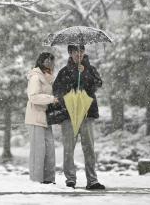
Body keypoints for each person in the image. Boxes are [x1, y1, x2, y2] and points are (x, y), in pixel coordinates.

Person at [52, 44, 105, 190]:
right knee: (69, 148)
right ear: (70, 53)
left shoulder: (91, 69)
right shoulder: (64, 71)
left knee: (89, 148)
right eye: (75, 52)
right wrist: (68, 96)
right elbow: (56, 90)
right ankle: (70, 179)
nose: (79, 54)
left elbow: (98, 84)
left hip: (87, 114)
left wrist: (85, 73)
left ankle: (92, 180)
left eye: (81, 51)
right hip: (69, 115)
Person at [24, 52, 59, 184]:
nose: (50, 63)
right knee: (38, 152)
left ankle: (48, 180)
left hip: (46, 119)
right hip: (35, 118)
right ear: (41, 62)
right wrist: (51, 99)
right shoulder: (35, 77)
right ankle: (36, 181)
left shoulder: (48, 78)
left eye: (52, 61)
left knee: (49, 151)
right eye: (47, 61)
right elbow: (33, 97)